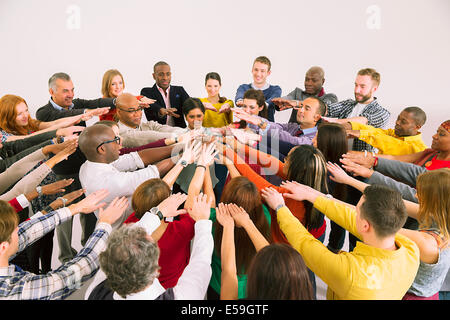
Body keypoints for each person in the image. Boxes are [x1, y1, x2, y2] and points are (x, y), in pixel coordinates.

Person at [261, 182, 420, 300]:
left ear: (365, 225)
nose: (354, 214)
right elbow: (352, 220)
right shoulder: (410, 249)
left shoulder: (353, 275)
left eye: (357, 211)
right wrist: (313, 196)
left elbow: (305, 244)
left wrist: (280, 207)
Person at [327, 163, 450, 300]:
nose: (415, 196)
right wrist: (348, 180)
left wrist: (326, 200)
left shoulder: (427, 243)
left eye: (420, 194)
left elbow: (371, 222)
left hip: (410, 295)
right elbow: (385, 199)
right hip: (427, 291)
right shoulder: (440, 217)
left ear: (434, 202)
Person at [0, 189, 129, 300]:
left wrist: (75, 208)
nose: (19, 229)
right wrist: (105, 224)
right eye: (15, 229)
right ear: (3, 247)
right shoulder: (16, 292)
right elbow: (76, 272)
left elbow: (26, 231)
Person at [85, 193, 214, 300]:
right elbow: (201, 261)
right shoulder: (181, 297)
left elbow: (122, 244)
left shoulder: (95, 292)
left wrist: (157, 213)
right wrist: (202, 220)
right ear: (155, 269)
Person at [78, 123, 176, 229]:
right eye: (115, 139)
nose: (120, 141)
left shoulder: (90, 164)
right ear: (102, 149)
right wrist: (184, 156)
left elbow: (138, 157)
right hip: (127, 233)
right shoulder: (106, 182)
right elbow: (153, 172)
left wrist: (176, 148)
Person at [207, 177, 271, 300]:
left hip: (219, 286)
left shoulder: (214, 220)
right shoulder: (264, 216)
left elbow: (207, 202)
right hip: (250, 289)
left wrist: (205, 171)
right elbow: (268, 254)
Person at [323, 68, 390, 153]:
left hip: (360, 164)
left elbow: (363, 121)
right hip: (337, 159)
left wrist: (337, 122)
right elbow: (326, 109)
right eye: (356, 85)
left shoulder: (382, 113)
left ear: (374, 89)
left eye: (362, 86)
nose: (356, 90)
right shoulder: (347, 104)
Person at [312, 123, 350, 253]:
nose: (312, 141)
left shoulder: (331, 173)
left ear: (327, 144)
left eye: (316, 139)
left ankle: (334, 248)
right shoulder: (333, 164)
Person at [343, 106, 428, 155]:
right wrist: (351, 126)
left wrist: (360, 134)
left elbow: (389, 142)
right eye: (398, 118)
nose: (397, 122)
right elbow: (376, 131)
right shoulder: (393, 133)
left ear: (417, 127)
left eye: (403, 122)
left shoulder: (419, 149)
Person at [115, 93, 185, 148]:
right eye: (131, 111)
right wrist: (178, 137)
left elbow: (163, 128)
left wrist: (186, 133)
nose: (137, 114)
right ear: (119, 112)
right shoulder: (119, 133)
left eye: (139, 109)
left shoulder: (146, 125)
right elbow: (149, 136)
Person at [272, 66, 338, 123]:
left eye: (314, 80)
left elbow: (323, 108)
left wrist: (297, 103)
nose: (309, 83)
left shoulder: (330, 97)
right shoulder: (297, 93)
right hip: (293, 133)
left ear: (322, 81)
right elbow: (286, 100)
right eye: (307, 80)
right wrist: (280, 102)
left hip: (314, 135)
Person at [140, 61, 190, 128]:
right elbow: (151, 105)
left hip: (179, 132)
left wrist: (199, 105)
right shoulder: (147, 92)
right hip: (156, 133)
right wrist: (161, 110)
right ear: (154, 76)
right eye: (161, 74)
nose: (165, 78)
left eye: (168, 74)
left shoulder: (179, 90)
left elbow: (190, 105)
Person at [234, 56, 281, 122]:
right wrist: (240, 101)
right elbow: (239, 97)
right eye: (256, 70)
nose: (258, 74)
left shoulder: (275, 90)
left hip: (267, 130)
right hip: (246, 129)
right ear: (252, 70)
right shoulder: (243, 87)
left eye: (262, 71)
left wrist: (262, 104)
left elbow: (272, 100)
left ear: (268, 73)